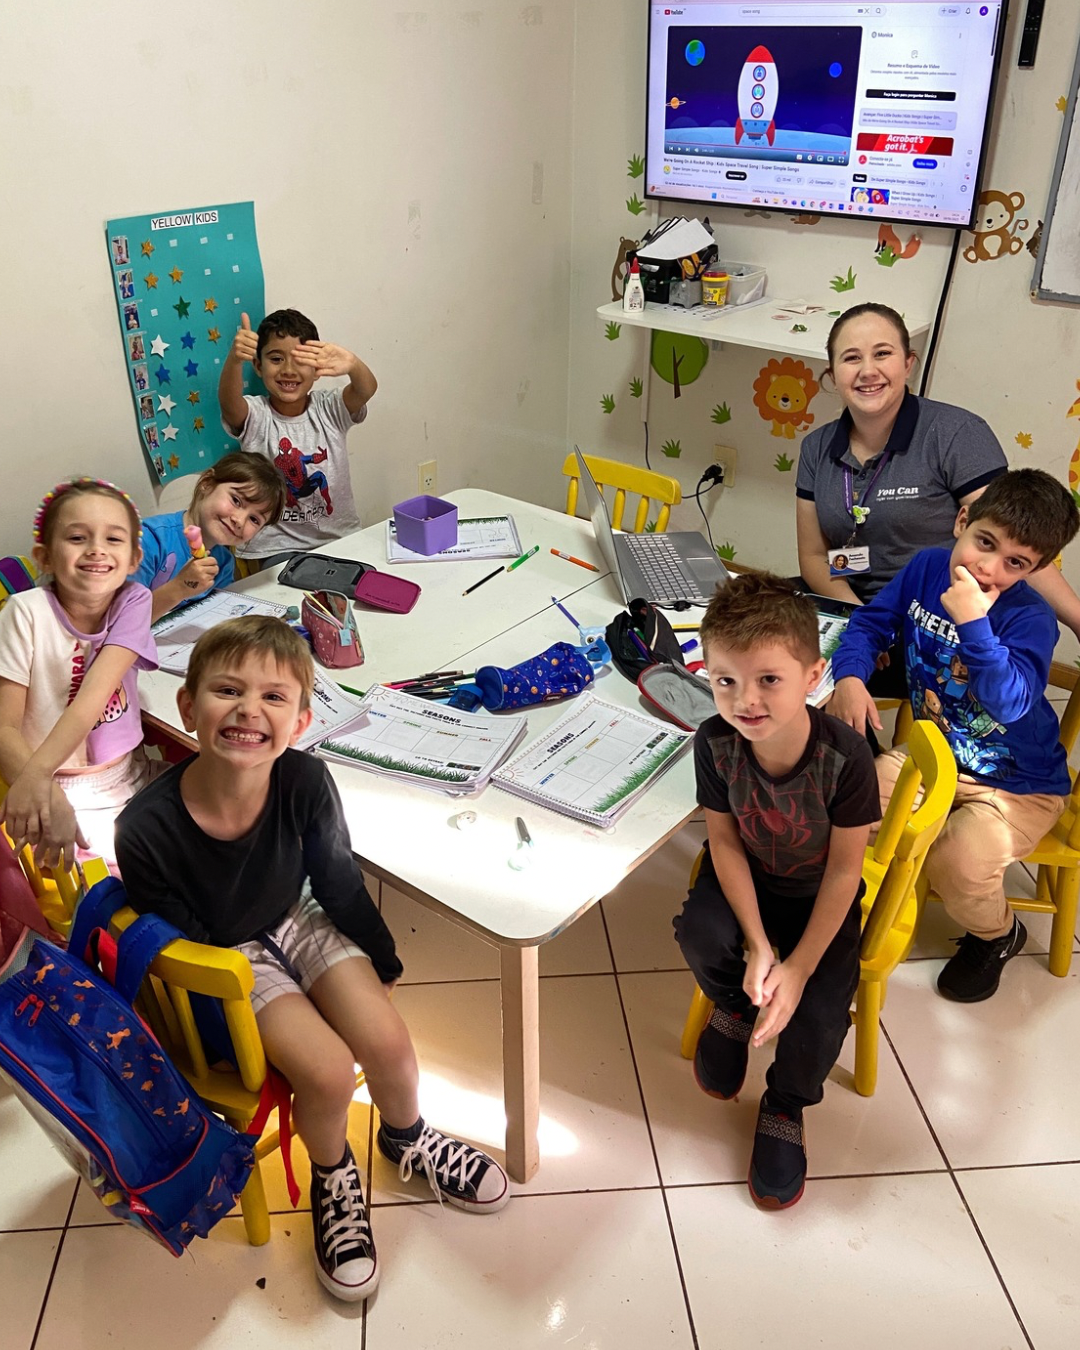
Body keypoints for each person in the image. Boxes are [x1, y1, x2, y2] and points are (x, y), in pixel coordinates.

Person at [114, 616, 509, 1302]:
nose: (248, 709)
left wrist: (380, 961)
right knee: (326, 1074)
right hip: (229, 957)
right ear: (187, 705)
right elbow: (193, 952)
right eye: (227, 690)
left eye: (273, 697)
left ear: (300, 721)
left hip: (298, 917)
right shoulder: (143, 829)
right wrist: (262, 1024)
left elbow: (336, 883)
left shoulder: (305, 780)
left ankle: (406, 1137)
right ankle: (333, 1176)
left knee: (387, 1039)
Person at [830, 469, 1080, 1002]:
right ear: (962, 521)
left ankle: (997, 934)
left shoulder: (1032, 619)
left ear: (1036, 570)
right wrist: (850, 675)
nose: (989, 569)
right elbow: (872, 623)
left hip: (1020, 785)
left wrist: (975, 626)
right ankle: (843, 910)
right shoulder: (925, 567)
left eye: (1016, 563)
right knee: (850, 810)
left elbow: (1009, 703)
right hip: (935, 757)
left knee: (957, 861)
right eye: (984, 543)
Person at [672, 573, 879, 1209]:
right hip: (749, 881)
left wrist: (798, 966)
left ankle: (785, 1104)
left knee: (817, 1014)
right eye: (725, 680)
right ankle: (734, 1007)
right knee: (701, 932)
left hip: (821, 897)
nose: (745, 700)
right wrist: (760, 947)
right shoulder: (714, 742)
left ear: (814, 676)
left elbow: (846, 872)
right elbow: (725, 843)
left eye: (769, 679)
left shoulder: (846, 758)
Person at [796, 303, 1080, 694]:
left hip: (929, 618)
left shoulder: (956, 434)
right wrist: (862, 619)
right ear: (832, 374)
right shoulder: (816, 447)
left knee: (799, 685)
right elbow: (813, 556)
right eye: (851, 358)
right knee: (756, 642)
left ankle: (862, 753)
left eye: (882, 353)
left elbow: (1013, 536)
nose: (867, 370)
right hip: (854, 607)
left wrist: (1078, 620)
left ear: (908, 363)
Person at [0, 478, 159, 870]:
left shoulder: (134, 600)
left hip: (129, 770)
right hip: (62, 782)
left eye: (114, 539)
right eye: (77, 537)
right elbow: (4, 727)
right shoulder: (23, 612)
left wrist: (36, 779)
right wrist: (44, 787)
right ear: (46, 556)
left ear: (135, 558)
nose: (97, 550)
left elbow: (92, 698)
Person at [219, 308, 377, 561]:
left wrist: (353, 364)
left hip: (339, 538)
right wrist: (235, 360)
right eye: (276, 359)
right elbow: (229, 404)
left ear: (317, 369)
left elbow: (365, 390)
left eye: (300, 360)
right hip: (277, 547)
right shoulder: (258, 415)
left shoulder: (330, 407)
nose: (289, 370)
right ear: (258, 366)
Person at [133, 452, 288, 622]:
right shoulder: (148, 540)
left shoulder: (223, 563)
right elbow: (117, 622)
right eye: (236, 500)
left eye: (254, 519)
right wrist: (179, 587)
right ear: (207, 483)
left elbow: (216, 614)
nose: (239, 521)